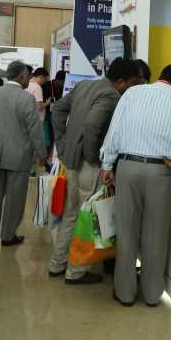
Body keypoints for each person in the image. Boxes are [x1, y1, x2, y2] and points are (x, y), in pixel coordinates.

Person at [100, 64, 171, 306]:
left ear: (159, 78)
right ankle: (152, 295)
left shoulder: (132, 93)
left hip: (127, 167)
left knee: (126, 232)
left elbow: (114, 130)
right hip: (160, 171)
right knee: (156, 235)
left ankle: (125, 294)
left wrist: (107, 164)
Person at [48, 58, 138, 285]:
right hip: (88, 165)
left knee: (71, 214)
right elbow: (91, 126)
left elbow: (57, 109)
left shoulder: (84, 85)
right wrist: (93, 158)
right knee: (87, 216)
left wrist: (63, 143)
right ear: (121, 81)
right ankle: (76, 271)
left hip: (71, 160)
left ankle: (57, 264)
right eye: (130, 83)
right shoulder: (110, 95)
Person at [0, 61, 45, 246]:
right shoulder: (26, 98)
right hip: (19, 156)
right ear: (22, 77)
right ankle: (8, 235)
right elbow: (35, 130)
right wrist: (42, 154)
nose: (29, 79)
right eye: (28, 76)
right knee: (15, 198)